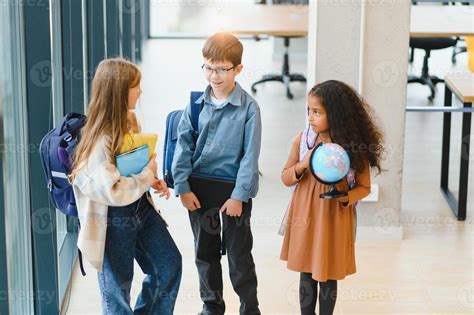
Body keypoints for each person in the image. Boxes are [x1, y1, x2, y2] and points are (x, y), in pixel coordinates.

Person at [70, 58, 182, 314]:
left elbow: (132, 166)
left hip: (140, 208)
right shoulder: (98, 139)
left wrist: (150, 179)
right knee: (117, 292)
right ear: (119, 91)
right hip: (112, 219)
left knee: (168, 265)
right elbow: (113, 191)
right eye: (136, 86)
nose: (141, 91)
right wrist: (146, 175)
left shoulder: (129, 121)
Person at [172, 32, 262, 315]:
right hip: (199, 189)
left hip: (234, 190)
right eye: (208, 68)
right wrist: (183, 187)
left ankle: (250, 308)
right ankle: (211, 306)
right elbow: (183, 146)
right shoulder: (196, 104)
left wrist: (239, 196)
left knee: (238, 256)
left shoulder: (249, 108)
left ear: (238, 69)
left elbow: (250, 157)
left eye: (222, 69)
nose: (214, 75)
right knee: (205, 253)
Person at [280, 80, 384, 315]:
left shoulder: (352, 148)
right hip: (305, 215)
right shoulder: (303, 140)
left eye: (317, 112)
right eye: (309, 111)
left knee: (327, 272)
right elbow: (285, 177)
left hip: (334, 216)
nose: (310, 117)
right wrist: (303, 164)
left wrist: (345, 197)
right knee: (306, 271)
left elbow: (364, 187)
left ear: (335, 115)